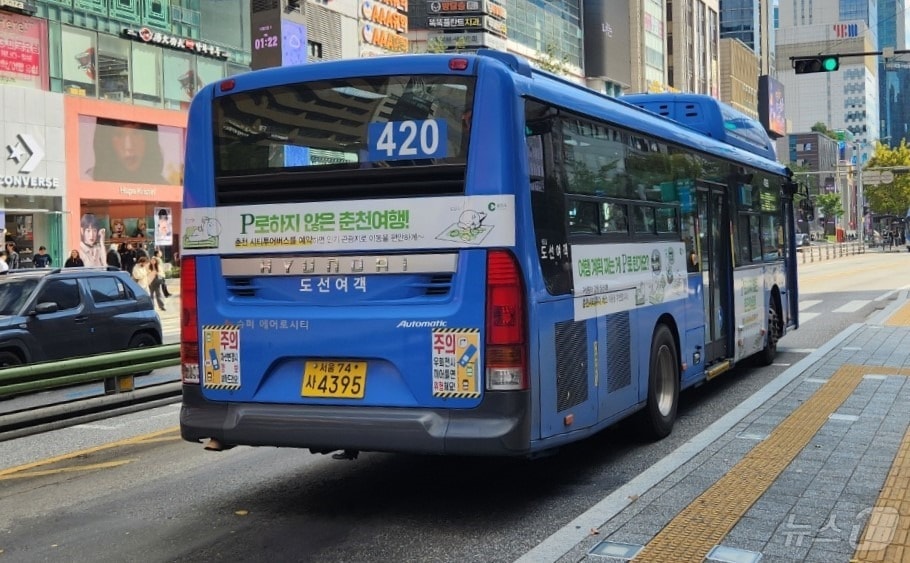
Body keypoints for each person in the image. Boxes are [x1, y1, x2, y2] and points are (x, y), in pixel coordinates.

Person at [89, 118, 165, 184]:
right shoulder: (89, 181)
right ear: (107, 141)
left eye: (136, 133)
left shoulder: (163, 187)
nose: (129, 146)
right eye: (119, 134)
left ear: (149, 139)